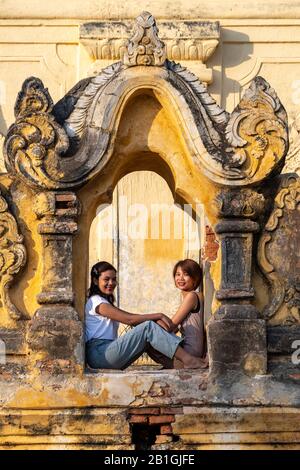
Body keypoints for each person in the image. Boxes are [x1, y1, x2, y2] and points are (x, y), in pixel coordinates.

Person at [85, 261, 207, 370]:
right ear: (96, 281)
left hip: (106, 352)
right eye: (106, 279)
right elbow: (130, 319)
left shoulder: (104, 301)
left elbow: (139, 322)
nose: (111, 283)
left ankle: (177, 364)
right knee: (147, 327)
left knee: (148, 336)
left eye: (114, 279)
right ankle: (188, 360)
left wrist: (157, 322)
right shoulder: (96, 301)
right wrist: (158, 316)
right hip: (100, 353)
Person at [147, 259, 207, 369]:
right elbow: (174, 329)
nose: (180, 278)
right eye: (177, 274)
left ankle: (178, 365)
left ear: (195, 278)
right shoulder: (192, 296)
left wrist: (149, 321)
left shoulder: (192, 296)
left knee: (147, 338)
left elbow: (171, 326)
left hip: (190, 353)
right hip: (191, 350)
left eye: (186, 274)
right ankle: (173, 365)